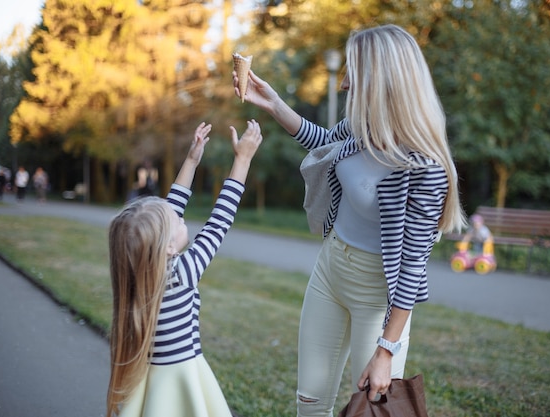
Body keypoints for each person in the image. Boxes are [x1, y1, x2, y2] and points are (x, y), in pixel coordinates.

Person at [233, 24, 466, 416]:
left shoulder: (425, 168)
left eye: (354, 71)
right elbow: (325, 143)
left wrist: (386, 351)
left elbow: (412, 269)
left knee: (371, 410)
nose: (344, 83)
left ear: (382, 78)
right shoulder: (364, 127)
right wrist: (273, 103)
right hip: (330, 270)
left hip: (378, 296)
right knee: (309, 402)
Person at [106, 120, 263, 417]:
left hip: (151, 381)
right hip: (182, 376)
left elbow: (168, 211)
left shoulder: (138, 276)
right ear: (166, 247)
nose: (182, 219)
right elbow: (219, 221)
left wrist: (191, 160)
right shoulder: (182, 273)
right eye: (177, 222)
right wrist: (242, 159)